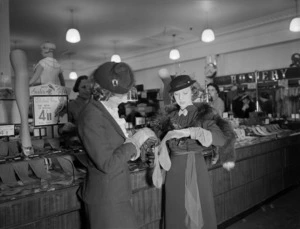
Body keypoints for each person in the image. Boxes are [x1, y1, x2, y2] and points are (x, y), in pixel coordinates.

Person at [77, 62, 157, 229]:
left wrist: (136, 147)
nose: (123, 99)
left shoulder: (105, 110)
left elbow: (117, 147)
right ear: (102, 92)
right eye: (119, 95)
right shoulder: (91, 115)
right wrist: (136, 140)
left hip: (116, 193)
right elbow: (108, 163)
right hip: (105, 197)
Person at [151, 75, 236, 229]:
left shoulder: (203, 114)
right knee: (175, 208)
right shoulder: (170, 115)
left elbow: (221, 138)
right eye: (177, 94)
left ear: (193, 92)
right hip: (173, 168)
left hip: (194, 167)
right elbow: (159, 139)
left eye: (184, 93)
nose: (180, 98)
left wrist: (193, 131)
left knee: (196, 210)